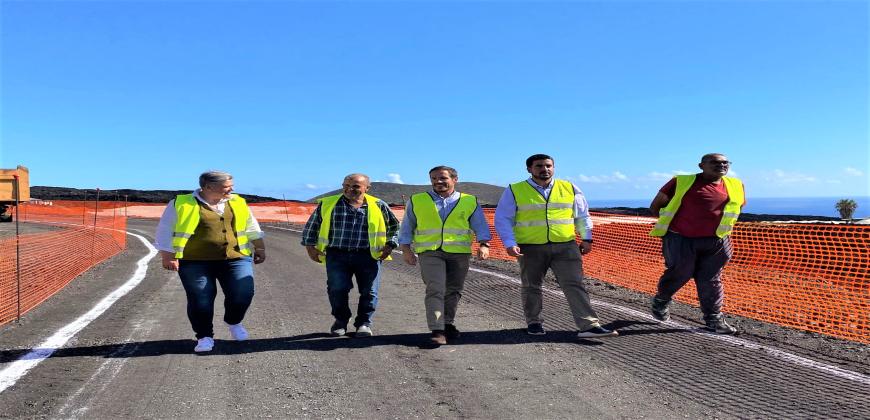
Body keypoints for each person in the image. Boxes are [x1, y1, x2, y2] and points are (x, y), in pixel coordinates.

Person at [494, 154, 618, 339]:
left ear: (554, 167)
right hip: (530, 247)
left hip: (566, 246)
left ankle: (589, 326)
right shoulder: (515, 190)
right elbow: (503, 218)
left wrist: (587, 238)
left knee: (575, 284)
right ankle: (534, 323)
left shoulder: (569, 187)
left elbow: (582, 216)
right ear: (529, 169)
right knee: (531, 286)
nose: (544, 169)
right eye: (539, 166)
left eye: (548, 165)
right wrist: (510, 243)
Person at [155, 171, 266, 353]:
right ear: (208, 187)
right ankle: (204, 336)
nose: (232, 189)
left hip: (235, 257)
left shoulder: (238, 201)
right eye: (226, 186)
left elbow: (251, 225)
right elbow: (165, 229)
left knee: (243, 292)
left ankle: (234, 321)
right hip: (194, 261)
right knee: (200, 298)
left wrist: (260, 247)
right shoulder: (181, 203)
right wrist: (168, 256)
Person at [648, 153, 745, 334]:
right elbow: (655, 206)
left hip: (717, 240)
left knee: (711, 279)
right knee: (680, 273)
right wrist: (674, 228)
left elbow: (737, 208)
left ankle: (714, 319)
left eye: (725, 163)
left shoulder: (736, 185)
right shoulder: (681, 182)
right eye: (715, 163)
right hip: (681, 239)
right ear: (701, 166)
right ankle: (661, 301)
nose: (721, 165)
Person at [399, 166, 492, 346]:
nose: (438, 182)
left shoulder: (469, 201)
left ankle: (447, 323)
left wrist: (484, 244)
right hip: (430, 252)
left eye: (442, 178)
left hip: (459, 253)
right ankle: (437, 329)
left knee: (454, 290)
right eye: (434, 178)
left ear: (454, 179)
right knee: (436, 288)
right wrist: (406, 249)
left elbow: (480, 224)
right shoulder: (417, 200)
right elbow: (407, 226)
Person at [301, 173, 400, 337]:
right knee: (337, 289)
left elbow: (394, 227)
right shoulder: (328, 204)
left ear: (366, 188)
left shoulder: (378, 205)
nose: (349, 189)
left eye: (355, 186)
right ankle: (340, 321)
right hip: (337, 255)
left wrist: (390, 245)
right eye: (346, 185)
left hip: (368, 256)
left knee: (369, 291)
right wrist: (310, 247)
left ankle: (363, 323)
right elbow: (312, 226)